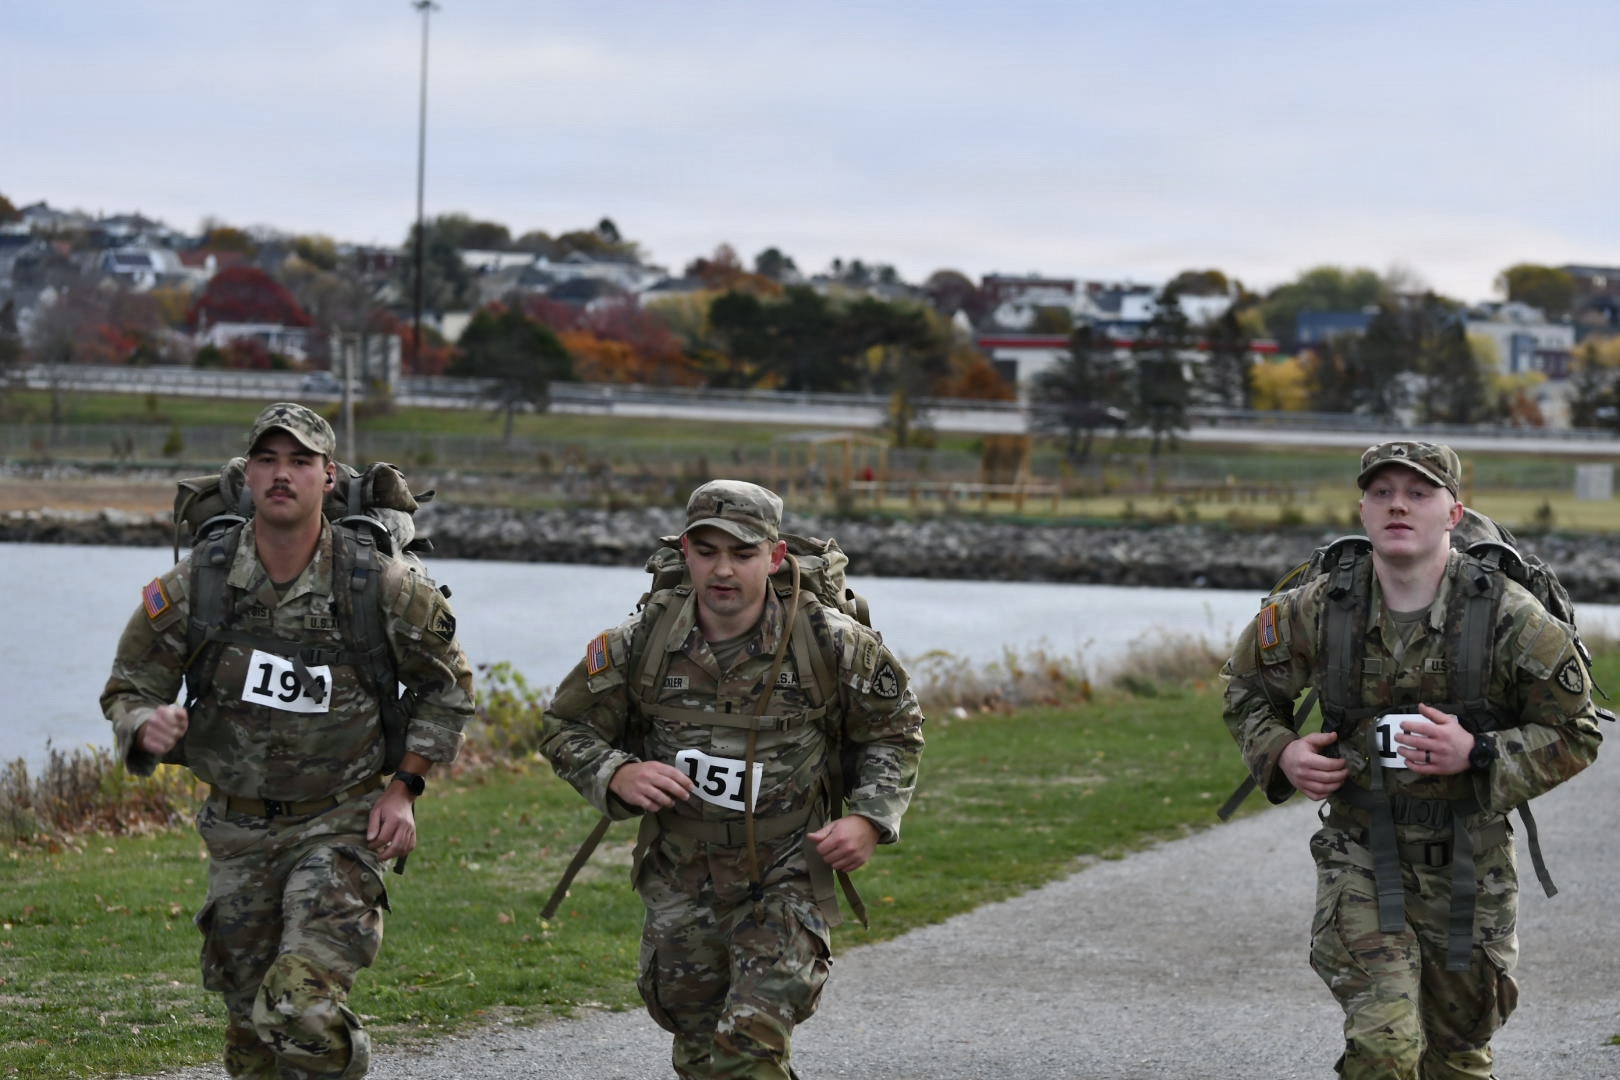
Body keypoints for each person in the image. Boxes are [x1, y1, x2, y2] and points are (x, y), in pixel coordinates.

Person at [101, 402, 476, 1080]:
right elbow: (127, 686)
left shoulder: (379, 586)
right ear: (246, 476)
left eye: (300, 461)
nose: (282, 474)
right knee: (251, 1038)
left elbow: (447, 686)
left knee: (296, 1007)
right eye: (268, 460)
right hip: (237, 832)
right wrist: (143, 726)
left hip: (341, 823)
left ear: (327, 477)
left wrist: (404, 790)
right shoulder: (198, 585)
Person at [1220, 440, 1603, 1079]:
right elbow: (1247, 691)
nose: (1398, 505)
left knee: (1457, 1054)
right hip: (1360, 851)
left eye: (1419, 494)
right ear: (1364, 510)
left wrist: (1478, 751)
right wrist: (1282, 752)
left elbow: (1577, 732)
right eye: (1382, 493)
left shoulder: (1510, 618)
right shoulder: (1318, 608)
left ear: (1453, 514)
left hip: (1470, 863)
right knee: (1385, 1044)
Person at [539, 479, 925, 1080]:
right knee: (700, 1051)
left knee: (748, 1042)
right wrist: (618, 772)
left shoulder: (828, 640)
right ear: (684, 552)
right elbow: (564, 727)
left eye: (742, 554)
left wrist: (870, 819)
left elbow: (894, 732)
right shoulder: (642, 642)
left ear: (774, 559)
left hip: (788, 871)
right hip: (680, 874)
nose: (723, 570)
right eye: (707, 550)